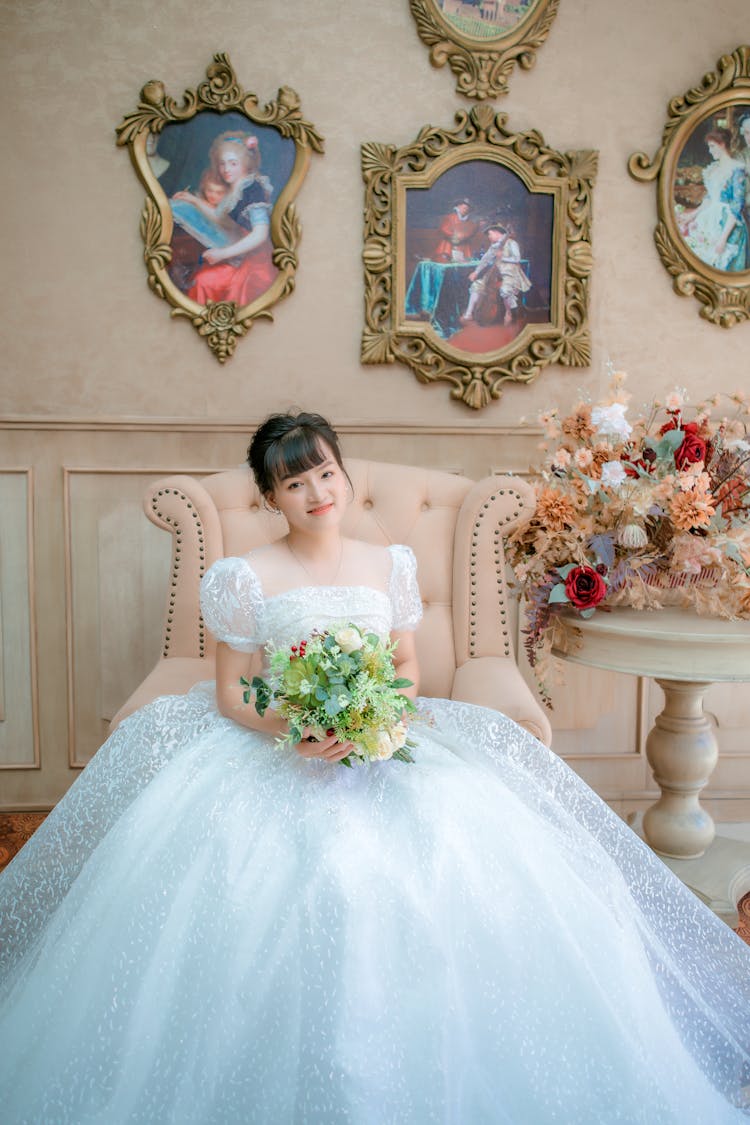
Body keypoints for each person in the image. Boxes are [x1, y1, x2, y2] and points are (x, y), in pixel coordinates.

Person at [1, 412, 750, 1123]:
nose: (316, 493)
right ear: (271, 497)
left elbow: (406, 669)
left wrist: (373, 720)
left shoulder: (388, 563)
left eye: (324, 473)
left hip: (385, 740)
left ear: (343, 474)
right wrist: (299, 726)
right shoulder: (243, 575)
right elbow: (231, 693)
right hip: (273, 747)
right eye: (294, 484)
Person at [178, 130, 279, 307]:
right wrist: (194, 200)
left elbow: (260, 234)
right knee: (199, 275)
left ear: (246, 164)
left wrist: (223, 253)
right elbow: (219, 218)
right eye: (223, 164)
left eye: (233, 164)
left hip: (254, 259)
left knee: (204, 280)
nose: (226, 169)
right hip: (237, 248)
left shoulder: (251, 188)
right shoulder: (235, 188)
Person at [677, 128, 748, 272]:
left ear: (722, 144)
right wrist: (692, 214)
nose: (710, 151)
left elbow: (737, 206)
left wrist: (723, 238)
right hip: (709, 218)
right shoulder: (713, 169)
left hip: (729, 224)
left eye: (712, 146)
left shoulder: (737, 169)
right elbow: (710, 199)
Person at [461, 221, 531, 327]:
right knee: (477, 285)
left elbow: (517, 259)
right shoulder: (494, 246)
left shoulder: (512, 243)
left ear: (496, 232)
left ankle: (509, 313)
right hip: (496, 273)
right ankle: (469, 313)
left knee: (505, 290)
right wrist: (476, 272)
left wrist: (502, 257)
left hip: (510, 272)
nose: (488, 237)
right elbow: (485, 260)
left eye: (490, 234)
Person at [433, 197, 479, 262]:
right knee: (446, 258)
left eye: (467, 209)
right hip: (449, 243)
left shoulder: (469, 222)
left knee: (464, 260)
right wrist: (453, 236)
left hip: (463, 245)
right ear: (458, 207)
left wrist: (465, 236)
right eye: (464, 208)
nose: (465, 210)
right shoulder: (450, 217)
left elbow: (471, 232)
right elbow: (443, 228)